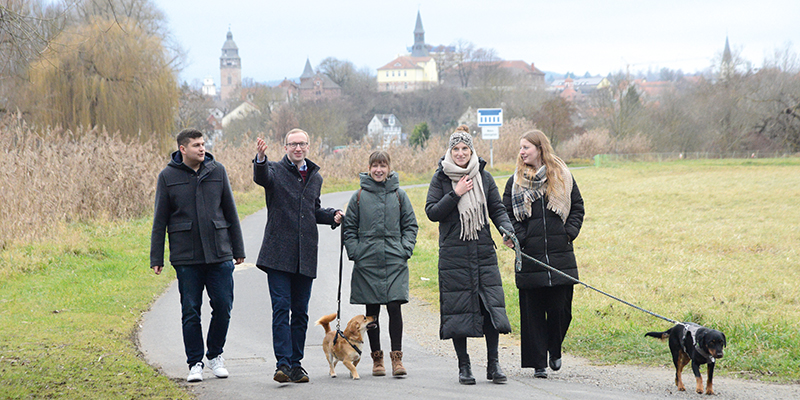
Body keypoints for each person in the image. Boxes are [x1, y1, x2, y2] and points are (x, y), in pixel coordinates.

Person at [150, 128, 245, 383]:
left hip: (219, 253)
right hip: (186, 256)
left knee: (223, 306)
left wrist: (238, 249)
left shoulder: (218, 171)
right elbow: (160, 220)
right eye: (196, 145)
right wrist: (156, 257)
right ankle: (195, 362)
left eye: (203, 144)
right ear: (183, 149)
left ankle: (215, 355)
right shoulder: (167, 176)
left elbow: (230, 211)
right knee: (191, 310)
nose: (202, 149)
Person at [425, 125, 514, 385]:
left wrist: (507, 231)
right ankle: (464, 367)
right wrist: (456, 194)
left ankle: (493, 364)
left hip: (483, 251)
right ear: (449, 152)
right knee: (458, 310)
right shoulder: (441, 178)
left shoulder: (483, 176)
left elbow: (497, 208)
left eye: (465, 148)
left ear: (471, 149)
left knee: (489, 308)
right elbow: (432, 212)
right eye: (456, 149)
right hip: (454, 255)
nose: (461, 153)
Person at [253, 129, 343, 384]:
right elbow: (262, 178)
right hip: (278, 255)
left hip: (305, 255)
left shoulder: (315, 177)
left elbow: (312, 210)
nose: (298, 148)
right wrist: (260, 158)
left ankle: (296, 364)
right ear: (285, 147)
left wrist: (332, 216)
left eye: (302, 144)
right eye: (293, 144)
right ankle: (282, 364)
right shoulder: (273, 170)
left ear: (308, 145)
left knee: (301, 312)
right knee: (281, 309)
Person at [502, 130, 584, 379]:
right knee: (533, 313)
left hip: (561, 256)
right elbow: (505, 213)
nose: (522, 152)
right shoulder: (515, 182)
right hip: (530, 257)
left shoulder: (562, 175)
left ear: (540, 148)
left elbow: (577, 207)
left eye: (526, 147)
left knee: (562, 311)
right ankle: (538, 363)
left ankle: (554, 349)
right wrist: (521, 239)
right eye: (520, 148)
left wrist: (567, 233)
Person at [342, 151, 418, 377]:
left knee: (395, 307)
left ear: (389, 168)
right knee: (372, 312)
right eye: (375, 165)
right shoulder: (358, 196)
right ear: (369, 168)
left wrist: (405, 249)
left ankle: (397, 359)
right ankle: (377, 360)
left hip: (395, 259)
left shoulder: (399, 195)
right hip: (367, 262)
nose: (378, 170)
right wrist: (356, 252)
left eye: (383, 165)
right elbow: (349, 229)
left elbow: (410, 225)